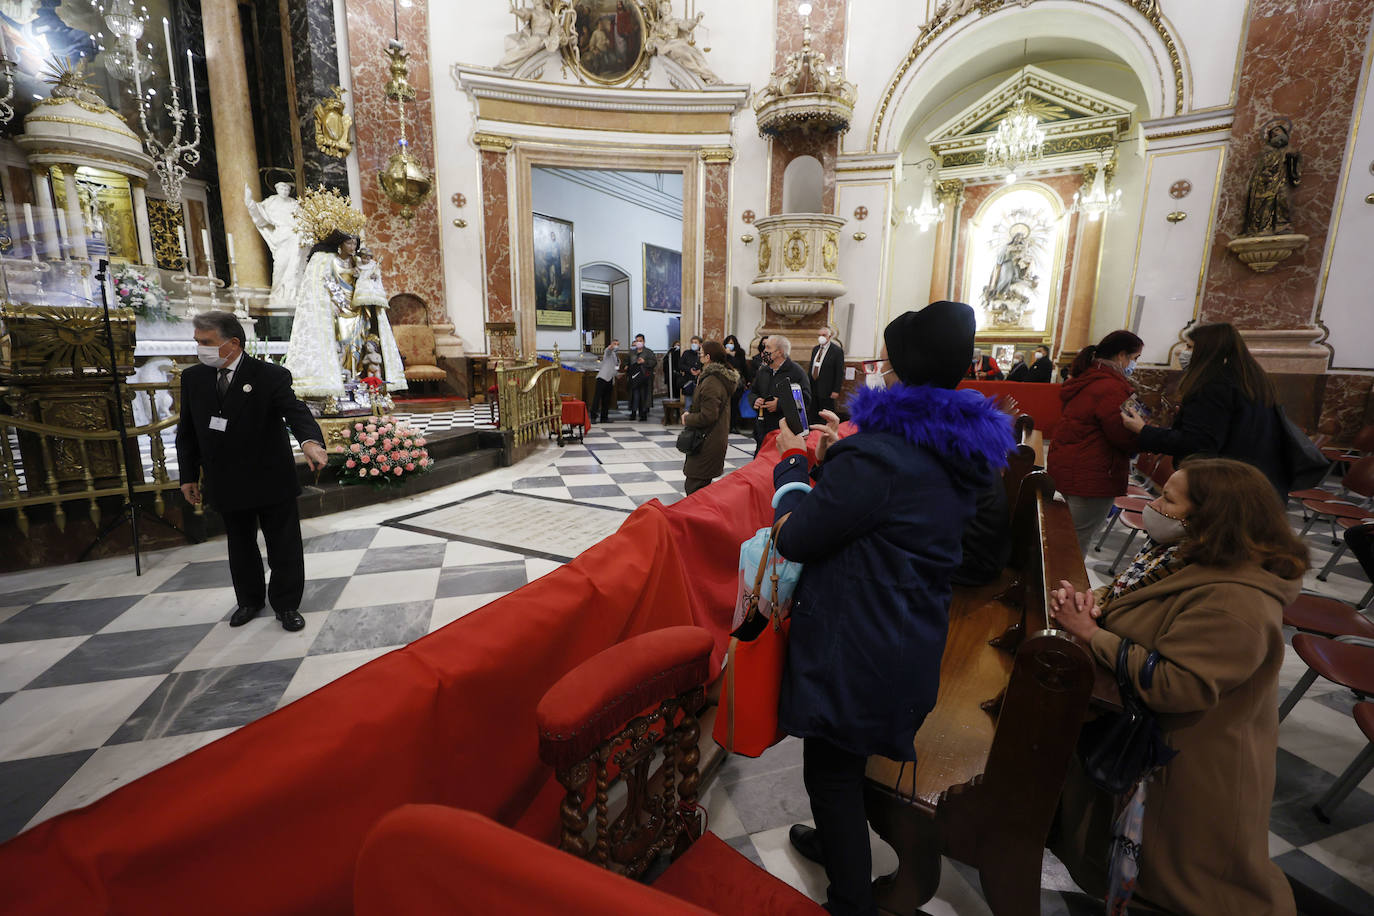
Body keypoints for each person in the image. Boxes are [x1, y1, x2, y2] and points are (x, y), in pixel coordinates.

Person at [771, 300, 1015, 916]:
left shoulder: (880, 456)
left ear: (900, 366)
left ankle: (850, 899)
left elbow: (798, 536)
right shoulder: (952, 448)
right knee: (846, 761)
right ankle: (835, 842)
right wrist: (840, 463)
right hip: (906, 632)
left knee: (828, 771)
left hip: (858, 641)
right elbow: (891, 516)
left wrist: (796, 464)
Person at [1050, 458, 1307, 916]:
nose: (1154, 506)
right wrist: (1093, 605)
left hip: (1194, 761)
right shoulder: (1183, 555)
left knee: (1192, 884)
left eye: (1168, 498)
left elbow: (1178, 684)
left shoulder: (1237, 599)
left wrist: (1091, 635)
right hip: (1158, 743)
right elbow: (1133, 597)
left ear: (1209, 517)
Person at [176, 311, 328, 633]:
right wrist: (188, 475)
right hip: (225, 478)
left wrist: (310, 441)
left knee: (283, 544)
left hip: (268, 474)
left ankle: (286, 605)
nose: (199, 349)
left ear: (232, 343)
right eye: (197, 342)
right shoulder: (194, 378)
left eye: (206, 342)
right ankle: (249, 600)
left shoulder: (269, 375)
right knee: (240, 544)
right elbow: (187, 431)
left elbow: (295, 410)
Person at [1122, 322, 1287, 495]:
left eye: (1190, 347)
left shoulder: (1214, 387)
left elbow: (1197, 443)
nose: (1184, 352)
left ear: (1207, 352)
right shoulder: (1252, 382)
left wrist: (1143, 430)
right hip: (1255, 482)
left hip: (1223, 486)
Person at [1048, 330, 1144, 551]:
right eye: (1135, 358)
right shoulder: (1112, 387)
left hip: (1071, 468)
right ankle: (1064, 585)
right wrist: (1144, 433)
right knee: (1073, 545)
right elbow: (1122, 435)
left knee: (1066, 538)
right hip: (1093, 475)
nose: (1134, 365)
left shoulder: (1088, 379)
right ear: (1122, 356)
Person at [284, 229, 356, 400]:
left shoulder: (318, 257)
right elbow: (329, 282)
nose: (352, 247)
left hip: (321, 311)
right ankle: (327, 390)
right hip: (326, 310)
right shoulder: (327, 258)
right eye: (348, 243)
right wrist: (341, 303)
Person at [679, 341, 738, 495]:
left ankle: (697, 519)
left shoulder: (712, 381)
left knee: (694, 487)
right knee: (698, 486)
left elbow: (709, 416)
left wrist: (688, 418)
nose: (699, 355)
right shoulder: (713, 377)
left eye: (701, 353)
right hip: (709, 439)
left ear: (708, 357)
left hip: (707, 441)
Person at [349, 246, 407, 394]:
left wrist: (375, 277)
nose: (366, 259)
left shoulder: (374, 266)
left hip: (370, 291)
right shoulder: (358, 264)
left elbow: (377, 278)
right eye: (364, 257)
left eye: (368, 257)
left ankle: (379, 387)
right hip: (360, 290)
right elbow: (355, 274)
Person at [244, 182, 308, 311]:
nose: (285, 190)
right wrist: (249, 201)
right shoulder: (271, 202)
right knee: (280, 266)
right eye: (282, 187)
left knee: (295, 266)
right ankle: (277, 293)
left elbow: (304, 220)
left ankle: (292, 294)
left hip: (296, 237)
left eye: (287, 188)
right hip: (281, 236)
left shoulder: (294, 204)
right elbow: (259, 213)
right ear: (277, 188)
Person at [750, 334, 811, 455]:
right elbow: (753, 391)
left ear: (779, 352)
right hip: (762, 426)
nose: (764, 352)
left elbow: (805, 399)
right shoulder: (763, 370)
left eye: (767, 348)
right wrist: (755, 400)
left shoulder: (796, 371)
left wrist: (779, 404)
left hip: (783, 430)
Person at [807, 329, 845, 422]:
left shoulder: (837, 351)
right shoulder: (815, 349)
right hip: (814, 386)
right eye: (819, 335)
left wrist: (836, 390)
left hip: (827, 388)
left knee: (825, 415)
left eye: (824, 335)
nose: (821, 337)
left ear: (829, 336)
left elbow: (839, 372)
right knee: (813, 413)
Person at [723, 334, 751, 433]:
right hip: (725, 382)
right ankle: (725, 426)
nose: (729, 345)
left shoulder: (740, 353)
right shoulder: (722, 354)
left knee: (735, 406)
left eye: (732, 343)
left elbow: (741, 366)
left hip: (737, 383)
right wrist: (726, 354)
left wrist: (748, 381)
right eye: (728, 343)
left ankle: (733, 425)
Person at [626, 333, 656, 421]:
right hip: (634, 377)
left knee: (644, 395)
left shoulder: (649, 352)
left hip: (645, 377)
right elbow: (627, 361)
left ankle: (643, 413)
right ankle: (633, 412)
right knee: (635, 395)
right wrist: (626, 365)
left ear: (644, 342)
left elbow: (654, 362)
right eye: (637, 341)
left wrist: (644, 361)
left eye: (640, 341)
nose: (639, 342)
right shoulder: (632, 352)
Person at [591, 338, 620, 423]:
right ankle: (593, 416)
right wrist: (609, 348)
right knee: (597, 397)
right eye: (614, 344)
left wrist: (617, 375)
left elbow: (614, 367)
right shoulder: (608, 352)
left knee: (606, 399)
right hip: (602, 378)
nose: (616, 345)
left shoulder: (615, 355)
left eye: (617, 344)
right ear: (611, 344)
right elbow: (607, 351)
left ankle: (604, 417)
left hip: (610, 378)